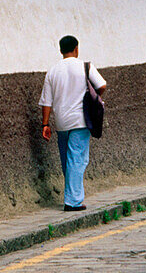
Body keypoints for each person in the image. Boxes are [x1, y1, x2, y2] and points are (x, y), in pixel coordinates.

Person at [39, 35, 106, 212]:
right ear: (76, 48)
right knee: (77, 159)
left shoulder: (52, 71)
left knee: (67, 160)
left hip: (61, 122)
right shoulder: (85, 66)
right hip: (81, 119)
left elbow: (47, 101)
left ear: (61, 50)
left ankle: (72, 195)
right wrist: (94, 96)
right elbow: (102, 85)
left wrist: (45, 124)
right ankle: (73, 201)